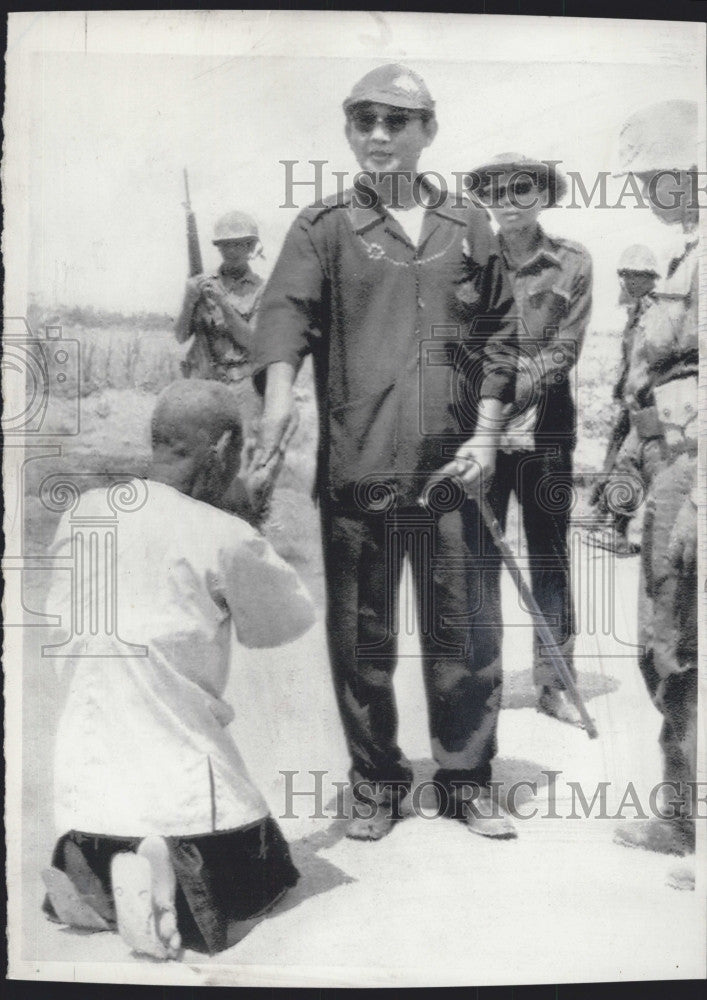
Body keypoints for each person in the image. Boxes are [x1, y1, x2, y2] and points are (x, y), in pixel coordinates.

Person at [252, 64, 520, 842]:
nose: (377, 135)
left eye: (395, 122)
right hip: (360, 466)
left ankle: (466, 778)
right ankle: (375, 782)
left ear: (427, 131)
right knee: (363, 635)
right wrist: (276, 409)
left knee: (463, 630)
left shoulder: (469, 225)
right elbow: (284, 318)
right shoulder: (324, 226)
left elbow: (500, 337)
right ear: (348, 129)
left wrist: (486, 436)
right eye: (363, 120)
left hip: (453, 474)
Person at [41, 380, 316, 958]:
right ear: (221, 451)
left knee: (104, 810)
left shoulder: (84, 512)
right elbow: (285, 623)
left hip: (87, 798)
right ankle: (167, 898)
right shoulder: (224, 534)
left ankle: (93, 891)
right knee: (273, 876)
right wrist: (247, 518)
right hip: (182, 802)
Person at [467, 152, 593, 727]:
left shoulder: (572, 262)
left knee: (548, 554)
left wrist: (506, 392)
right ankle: (481, 685)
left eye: (522, 189)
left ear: (542, 197)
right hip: (481, 434)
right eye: (495, 190)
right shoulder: (467, 260)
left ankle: (555, 682)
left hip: (546, 432)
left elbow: (563, 352)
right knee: (479, 557)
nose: (509, 200)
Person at [610, 100, 698, 869]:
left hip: (691, 467)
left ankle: (681, 819)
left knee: (671, 644)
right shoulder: (685, 256)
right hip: (665, 460)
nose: (644, 193)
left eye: (655, 179)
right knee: (667, 645)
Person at [588, 245, 660, 555]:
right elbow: (628, 358)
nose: (630, 282)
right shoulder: (634, 310)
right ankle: (599, 517)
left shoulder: (657, 310)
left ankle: (617, 531)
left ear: (651, 278)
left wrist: (640, 395)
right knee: (612, 457)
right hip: (628, 400)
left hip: (646, 401)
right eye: (626, 275)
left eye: (638, 276)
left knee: (630, 463)